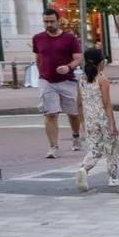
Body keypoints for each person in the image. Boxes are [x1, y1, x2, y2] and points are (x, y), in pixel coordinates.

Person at [33, 8, 84, 158]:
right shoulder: (38, 38)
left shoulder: (69, 38)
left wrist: (68, 67)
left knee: (73, 114)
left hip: (67, 81)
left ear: (58, 21)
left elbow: (78, 57)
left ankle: (76, 136)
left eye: (51, 21)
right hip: (46, 81)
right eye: (45, 21)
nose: (48, 24)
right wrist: (41, 73)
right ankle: (53, 147)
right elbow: (38, 58)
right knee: (51, 114)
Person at [75, 49, 119, 190]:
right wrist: (113, 124)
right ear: (101, 62)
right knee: (111, 148)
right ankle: (113, 177)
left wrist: (82, 121)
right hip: (104, 119)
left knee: (94, 149)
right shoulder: (102, 79)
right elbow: (107, 104)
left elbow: (78, 103)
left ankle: (84, 169)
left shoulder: (81, 80)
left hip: (90, 119)